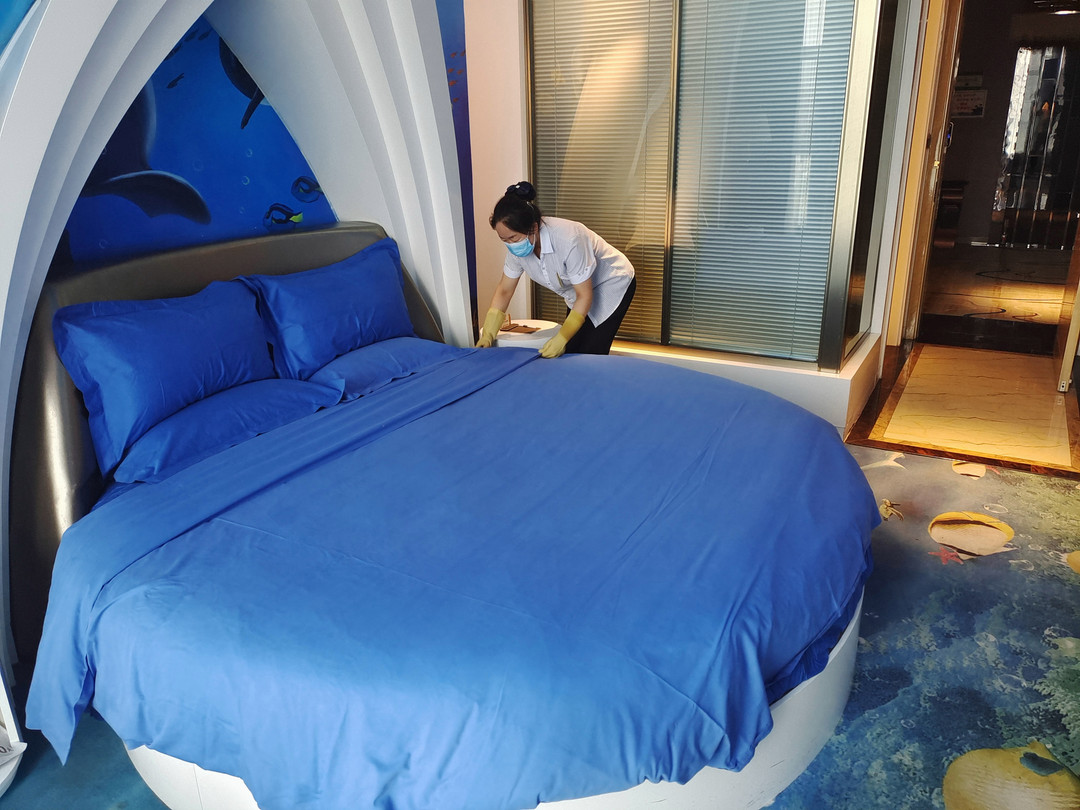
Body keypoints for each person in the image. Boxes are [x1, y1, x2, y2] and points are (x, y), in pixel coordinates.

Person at [476, 181, 636, 358]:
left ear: (533, 228)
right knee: (572, 348)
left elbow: (584, 295)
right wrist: (488, 334)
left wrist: (561, 338)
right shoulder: (517, 249)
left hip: (611, 281)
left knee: (590, 352)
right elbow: (505, 290)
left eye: (513, 238)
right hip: (579, 290)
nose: (510, 244)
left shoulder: (569, 239)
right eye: (504, 240)